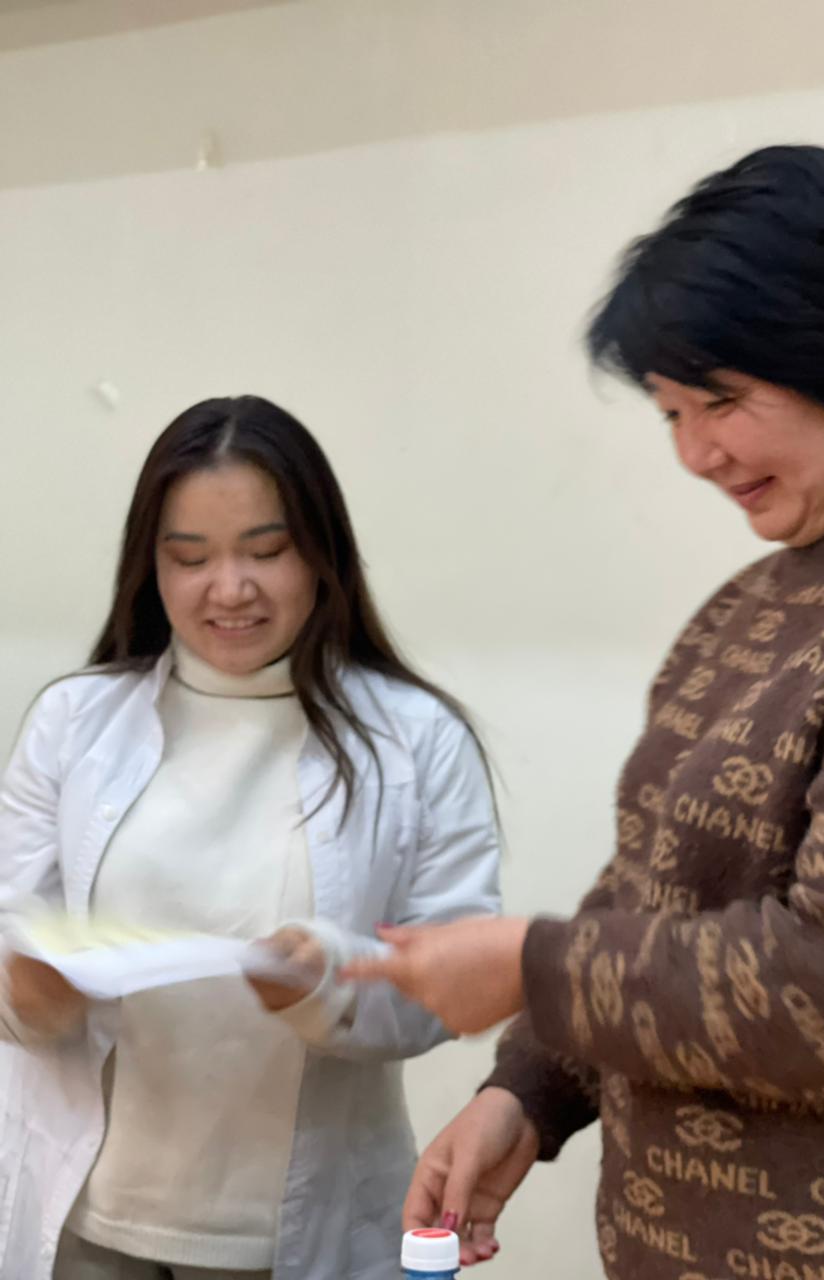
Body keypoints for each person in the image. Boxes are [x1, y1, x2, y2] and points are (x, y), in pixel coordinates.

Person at [345, 145, 824, 1279]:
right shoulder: (744, 607)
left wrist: (533, 966)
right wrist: (528, 1091)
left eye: (721, 401)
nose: (694, 452)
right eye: (671, 411)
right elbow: (652, 893)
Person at [0, 395, 501, 1280]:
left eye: (266, 552)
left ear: (322, 553)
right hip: (89, 1223)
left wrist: (325, 982)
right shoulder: (75, 722)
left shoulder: (419, 739)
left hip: (300, 1235)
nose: (229, 589)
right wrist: (31, 990)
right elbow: (13, 932)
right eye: (190, 558)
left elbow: (458, 984)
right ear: (150, 566)